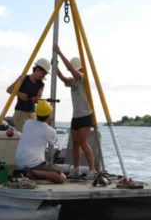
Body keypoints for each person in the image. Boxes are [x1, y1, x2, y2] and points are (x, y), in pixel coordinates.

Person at [53, 44, 96, 179]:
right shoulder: (73, 81)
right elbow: (63, 78)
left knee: (83, 143)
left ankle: (92, 170)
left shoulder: (83, 77)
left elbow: (71, 70)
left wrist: (60, 52)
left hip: (85, 115)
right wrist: (56, 66)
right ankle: (76, 169)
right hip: (75, 116)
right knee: (75, 144)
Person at [15, 100, 66, 183]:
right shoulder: (49, 130)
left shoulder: (27, 123)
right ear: (49, 115)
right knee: (61, 177)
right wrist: (48, 125)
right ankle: (31, 173)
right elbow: (54, 140)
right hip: (34, 164)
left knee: (51, 168)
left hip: (19, 162)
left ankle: (28, 172)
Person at [7, 58, 51, 132]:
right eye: (43, 74)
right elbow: (9, 90)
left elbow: (38, 99)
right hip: (20, 113)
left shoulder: (41, 84)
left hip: (32, 114)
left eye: (45, 74)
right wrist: (19, 94)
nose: (43, 76)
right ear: (37, 69)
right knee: (24, 135)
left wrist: (36, 100)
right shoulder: (23, 78)